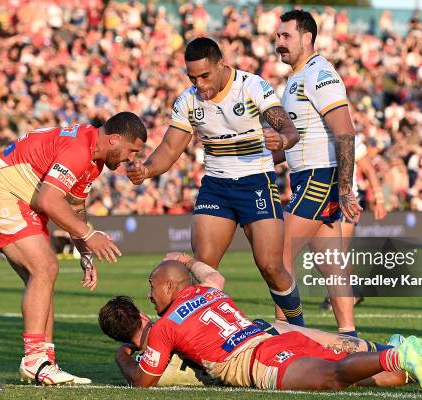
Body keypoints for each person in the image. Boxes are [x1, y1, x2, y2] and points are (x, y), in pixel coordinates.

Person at [97, 254, 422, 394]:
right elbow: (210, 274)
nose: (150, 293)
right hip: (270, 335)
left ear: (170, 288)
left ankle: (398, 352)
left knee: (335, 377)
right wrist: (187, 259)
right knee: (378, 376)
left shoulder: (167, 325)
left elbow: (144, 382)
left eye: (154, 286)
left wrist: (122, 358)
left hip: (259, 360)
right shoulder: (208, 292)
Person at [127, 37, 306, 326]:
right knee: (202, 269)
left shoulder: (251, 86)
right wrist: (146, 170)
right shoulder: (187, 100)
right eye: (192, 77)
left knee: (271, 266)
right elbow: (171, 149)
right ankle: (198, 339)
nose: (200, 84)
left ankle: (300, 330)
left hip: (256, 182)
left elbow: (288, 128)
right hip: (217, 186)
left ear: (221, 65)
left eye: (205, 76)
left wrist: (282, 138)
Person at [0, 112, 147, 385]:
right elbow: (50, 200)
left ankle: (44, 362)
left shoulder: (93, 158)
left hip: (20, 201)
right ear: (114, 140)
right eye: (131, 150)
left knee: (42, 277)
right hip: (0, 195)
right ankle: (34, 361)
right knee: (45, 267)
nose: (130, 159)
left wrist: (85, 253)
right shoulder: (79, 148)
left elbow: (75, 207)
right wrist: (90, 234)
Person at [271, 10, 362, 335]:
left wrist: (345, 189)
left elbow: (345, 131)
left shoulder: (319, 73)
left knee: (276, 255)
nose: (279, 42)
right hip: (307, 179)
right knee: (332, 265)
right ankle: (350, 336)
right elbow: (294, 143)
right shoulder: (296, 78)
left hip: (319, 179)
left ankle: (286, 332)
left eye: (286, 36)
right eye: (278, 36)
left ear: (307, 38)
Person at [319, 134, 388, 311]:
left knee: (337, 251)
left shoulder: (348, 136)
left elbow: (369, 170)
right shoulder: (312, 132)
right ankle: (351, 289)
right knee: (327, 253)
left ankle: (342, 294)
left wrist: (379, 199)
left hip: (346, 201)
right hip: (322, 201)